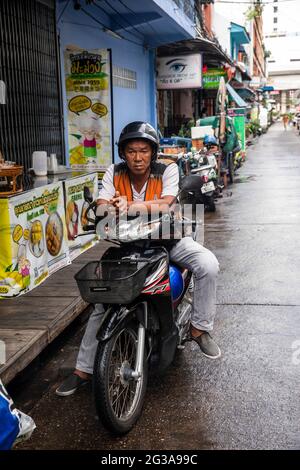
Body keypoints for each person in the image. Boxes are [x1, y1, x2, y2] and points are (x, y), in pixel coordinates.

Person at [56, 121, 221, 397]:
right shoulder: (113, 172)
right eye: (131, 150)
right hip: (128, 243)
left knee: (208, 265)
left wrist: (131, 205)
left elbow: (167, 202)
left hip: (169, 238)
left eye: (143, 150)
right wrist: (107, 206)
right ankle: (83, 369)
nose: (137, 156)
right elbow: (101, 202)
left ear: (152, 152)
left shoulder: (167, 169)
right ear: (123, 152)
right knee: (101, 302)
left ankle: (199, 329)